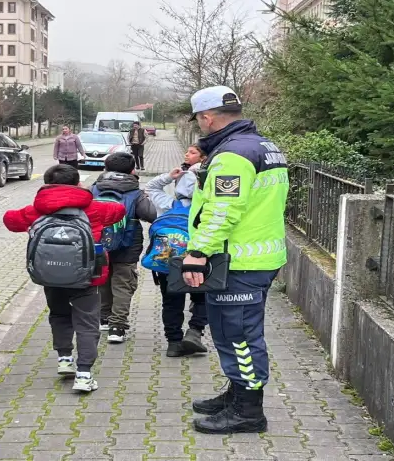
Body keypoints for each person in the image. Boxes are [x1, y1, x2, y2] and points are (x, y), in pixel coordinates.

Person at [181, 86, 288, 435]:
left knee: (238, 336)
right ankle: (236, 394)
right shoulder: (264, 146)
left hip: (238, 261)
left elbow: (222, 211)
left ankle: (248, 412)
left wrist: (197, 253)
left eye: (199, 119)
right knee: (236, 331)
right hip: (260, 255)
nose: (200, 124)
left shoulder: (232, 156)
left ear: (208, 117)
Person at [2, 164, 125, 392]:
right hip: (88, 277)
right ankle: (84, 375)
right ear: (78, 183)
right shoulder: (95, 209)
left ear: (46, 184)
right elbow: (119, 211)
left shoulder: (37, 210)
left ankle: (65, 360)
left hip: (51, 276)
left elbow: (10, 220)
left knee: (59, 315)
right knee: (87, 323)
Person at [144, 144, 209, 357]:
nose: (186, 155)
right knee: (203, 297)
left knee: (171, 302)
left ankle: (173, 343)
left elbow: (151, 187)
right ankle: (195, 331)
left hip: (168, 261)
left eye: (191, 153)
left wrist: (169, 177)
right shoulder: (208, 207)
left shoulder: (169, 205)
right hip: (200, 258)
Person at [93, 152, 157, 343]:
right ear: (132, 170)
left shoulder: (94, 189)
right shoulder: (135, 192)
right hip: (127, 244)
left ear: (105, 168)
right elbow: (152, 215)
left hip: (97, 243)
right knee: (123, 283)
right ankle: (117, 327)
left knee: (102, 279)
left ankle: (103, 318)